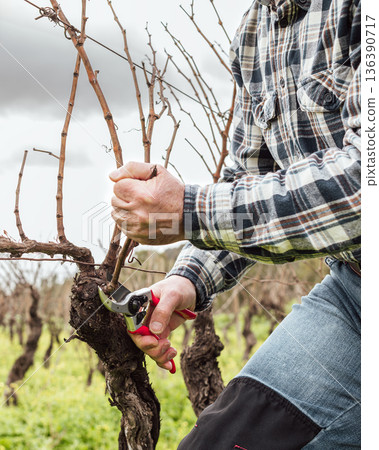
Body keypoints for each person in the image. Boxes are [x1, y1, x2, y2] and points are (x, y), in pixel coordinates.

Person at [109, 0, 361, 448]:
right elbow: (249, 182)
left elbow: (366, 183)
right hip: (354, 293)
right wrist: (185, 280)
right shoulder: (254, 31)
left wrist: (190, 211)